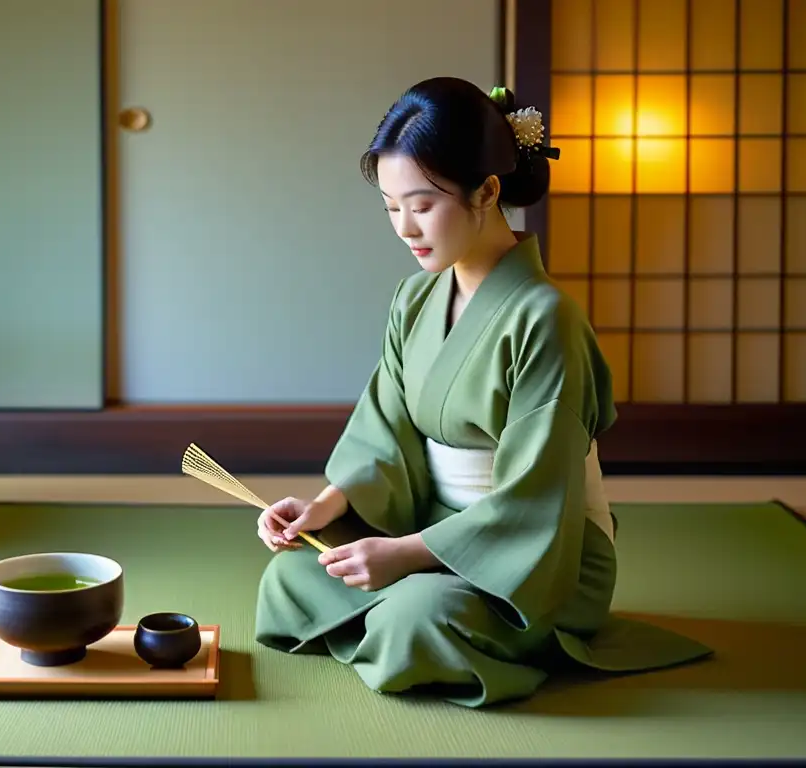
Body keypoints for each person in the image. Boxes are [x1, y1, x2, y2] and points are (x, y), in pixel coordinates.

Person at [252, 77, 713, 708]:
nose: (404, 227)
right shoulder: (414, 299)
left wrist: (405, 556)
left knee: (413, 618)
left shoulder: (547, 318)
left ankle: (430, 622)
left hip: (538, 553)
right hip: (434, 528)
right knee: (291, 577)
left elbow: (537, 492)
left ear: (487, 191)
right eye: (390, 207)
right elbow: (385, 431)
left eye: (422, 204)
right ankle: (414, 616)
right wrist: (327, 507)